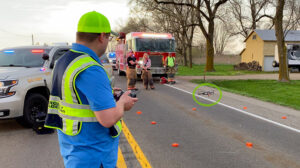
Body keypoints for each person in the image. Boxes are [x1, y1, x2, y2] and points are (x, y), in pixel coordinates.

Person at [44, 11, 138, 168]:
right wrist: (122, 103)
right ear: (102, 36)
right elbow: (107, 119)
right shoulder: (90, 68)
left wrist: (106, 93)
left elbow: (74, 97)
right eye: (109, 38)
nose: (108, 42)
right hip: (95, 156)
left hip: (73, 151)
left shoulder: (63, 61)